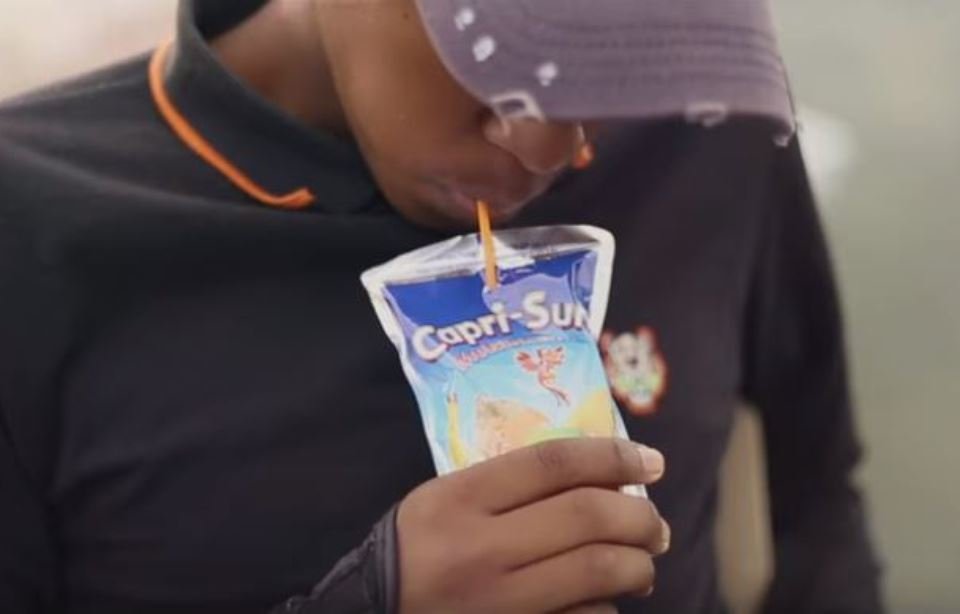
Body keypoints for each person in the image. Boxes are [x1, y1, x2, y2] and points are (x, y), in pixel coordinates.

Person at [0, 0, 884, 612]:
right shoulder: (30, 228)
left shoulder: (707, 131)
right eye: (498, 52)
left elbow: (820, 496)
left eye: (610, 58)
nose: (550, 145)